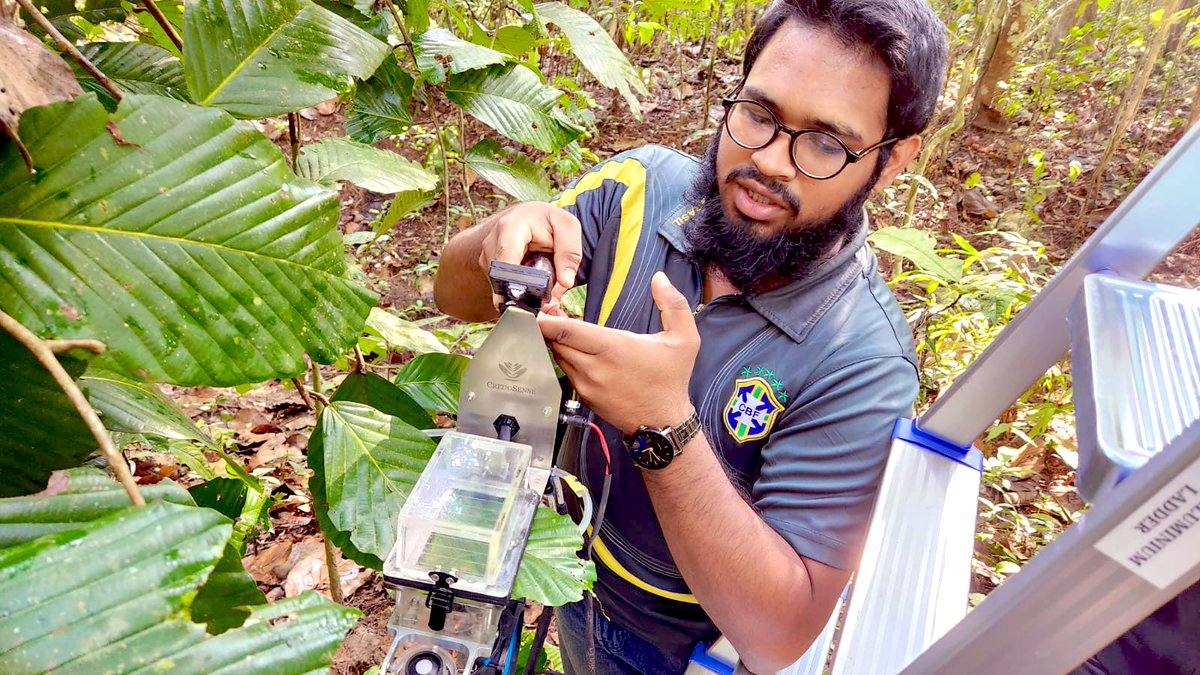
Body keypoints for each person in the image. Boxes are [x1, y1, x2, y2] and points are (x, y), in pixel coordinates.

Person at [434, 1, 948, 671]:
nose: (769, 162)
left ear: (893, 158)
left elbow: (778, 631)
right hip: (562, 568)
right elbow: (451, 294)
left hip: (671, 647)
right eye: (759, 114)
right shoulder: (641, 191)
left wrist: (663, 427)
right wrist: (500, 244)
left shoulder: (863, 360)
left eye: (825, 142)